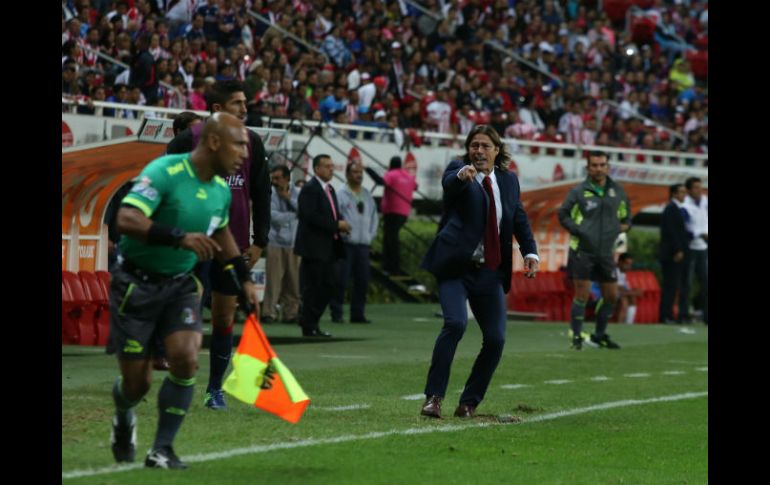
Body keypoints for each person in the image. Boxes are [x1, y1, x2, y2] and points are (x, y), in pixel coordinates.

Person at [108, 112, 259, 469]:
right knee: (137, 384)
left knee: (186, 358)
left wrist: (244, 279)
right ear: (214, 142)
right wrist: (179, 237)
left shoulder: (221, 189)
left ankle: (162, 449)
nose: (244, 154)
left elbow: (221, 232)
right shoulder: (164, 172)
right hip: (135, 284)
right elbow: (126, 219)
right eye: (239, 145)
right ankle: (124, 415)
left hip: (180, 284)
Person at [420, 125, 539, 419]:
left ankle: (468, 403)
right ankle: (434, 398)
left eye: (485, 146)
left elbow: (518, 217)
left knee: (496, 339)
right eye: (474, 145)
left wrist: (530, 252)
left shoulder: (509, 181)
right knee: (455, 324)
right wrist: (462, 175)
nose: (479, 151)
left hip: (490, 272)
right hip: (456, 268)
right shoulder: (459, 170)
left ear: (497, 150)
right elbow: (450, 184)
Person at [166, 79, 271, 410]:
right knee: (190, 313)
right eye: (237, 103)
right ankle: (180, 380)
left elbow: (262, 193)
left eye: (245, 102)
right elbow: (170, 187)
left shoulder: (252, 141)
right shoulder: (187, 141)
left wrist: (260, 241)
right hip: (192, 243)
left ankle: (214, 389)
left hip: (233, 243)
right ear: (216, 109)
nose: (245, 108)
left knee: (225, 316)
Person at [558, 150, 631, 350]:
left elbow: (626, 218)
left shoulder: (618, 191)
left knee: (611, 296)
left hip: (606, 252)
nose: (598, 169)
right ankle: (576, 337)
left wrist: (621, 228)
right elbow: (563, 214)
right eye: (594, 165)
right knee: (582, 294)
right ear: (588, 168)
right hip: (582, 250)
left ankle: (599, 336)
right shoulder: (578, 192)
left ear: (608, 167)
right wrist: (580, 231)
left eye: (602, 165)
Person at [294, 155, 351, 337]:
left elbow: (331, 213)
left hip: (329, 246)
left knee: (330, 285)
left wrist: (340, 224)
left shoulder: (329, 189)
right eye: (327, 166)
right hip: (314, 247)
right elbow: (309, 216)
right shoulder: (310, 189)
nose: (331, 169)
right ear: (316, 169)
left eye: (332, 166)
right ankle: (309, 324)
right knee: (314, 286)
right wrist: (336, 225)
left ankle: (312, 321)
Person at [329, 161, 379, 324]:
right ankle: (337, 313)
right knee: (341, 280)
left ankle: (358, 313)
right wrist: (342, 234)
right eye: (355, 172)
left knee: (362, 280)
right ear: (347, 174)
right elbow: (336, 216)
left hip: (363, 244)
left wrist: (370, 236)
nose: (359, 175)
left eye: (360, 173)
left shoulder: (366, 194)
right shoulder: (341, 194)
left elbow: (374, 218)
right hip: (346, 244)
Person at [261, 165, 301, 324]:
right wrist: (294, 215)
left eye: (278, 178)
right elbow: (273, 216)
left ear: (287, 178)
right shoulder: (269, 193)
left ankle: (291, 313)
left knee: (293, 281)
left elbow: (304, 210)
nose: (275, 181)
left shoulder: (298, 192)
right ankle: (269, 313)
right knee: (273, 280)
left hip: (294, 243)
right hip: (275, 242)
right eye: (273, 178)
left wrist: (287, 198)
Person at [380, 156, 417, 276]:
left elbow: (381, 182)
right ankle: (389, 266)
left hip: (391, 211)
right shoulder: (407, 175)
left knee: (390, 239)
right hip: (404, 212)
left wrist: (368, 170)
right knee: (391, 237)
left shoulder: (391, 174)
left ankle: (392, 267)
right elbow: (416, 186)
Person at [658, 183, 690, 323]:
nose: (684, 195)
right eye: (681, 192)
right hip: (672, 254)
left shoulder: (678, 209)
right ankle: (666, 315)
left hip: (678, 253)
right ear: (674, 194)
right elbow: (671, 232)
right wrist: (678, 250)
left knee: (675, 285)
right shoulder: (671, 209)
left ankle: (670, 315)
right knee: (670, 286)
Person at [681, 176, 708, 325]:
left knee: (706, 283)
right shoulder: (685, 206)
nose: (699, 190)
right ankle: (684, 315)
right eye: (696, 187)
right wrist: (700, 234)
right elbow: (684, 229)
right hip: (691, 248)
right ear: (689, 190)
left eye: (700, 187)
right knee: (687, 283)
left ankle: (706, 315)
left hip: (703, 248)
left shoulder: (705, 201)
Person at [612, 252, 643, 325]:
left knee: (632, 297)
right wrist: (633, 292)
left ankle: (628, 323)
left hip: (617, 294)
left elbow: (624, 288)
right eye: (626, 264)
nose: (629, 266)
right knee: (624, 300)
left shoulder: (623, 273)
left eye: (630, 264)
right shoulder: (613, 271)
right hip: (603, 295)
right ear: (620, 262)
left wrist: (633, 291)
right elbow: (616, 288)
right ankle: (619, 325)